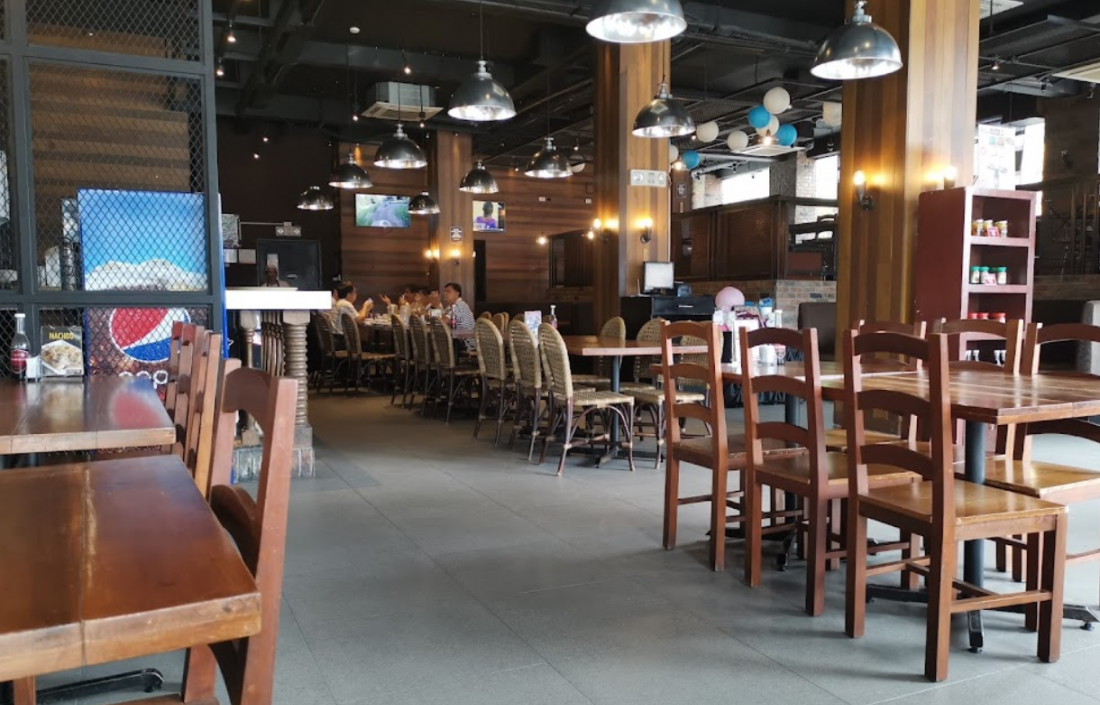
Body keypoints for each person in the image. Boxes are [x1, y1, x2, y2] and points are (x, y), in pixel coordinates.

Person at [441, 282, 475, 350]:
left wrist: (436, 306)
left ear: (457, 293)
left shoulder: (460, 305)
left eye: (448, 291)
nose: (445, 293)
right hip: (458, 339)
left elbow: (443, 321)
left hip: (466, 342)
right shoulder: (450, 306)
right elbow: (441, 318)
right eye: (444, 291)